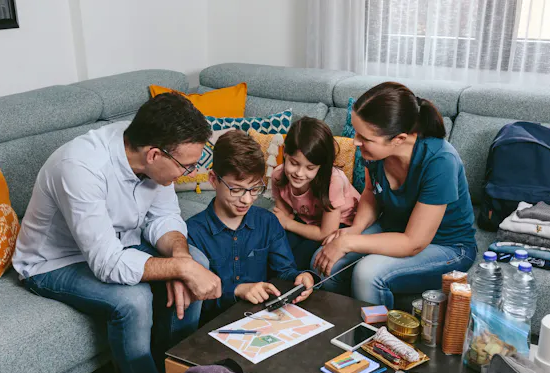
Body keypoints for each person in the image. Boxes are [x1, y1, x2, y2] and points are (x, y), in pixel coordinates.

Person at [12, 93, 222, 373]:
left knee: (197, 259)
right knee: (134, 300)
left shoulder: (150, 152)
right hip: (53, 263)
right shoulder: (80, 168)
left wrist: (182, 258)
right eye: (186, 166)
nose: (189, 173)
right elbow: (107, 263)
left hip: (118, 244)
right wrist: (179, 268)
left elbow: (164, 217)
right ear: (154, 154)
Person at [313, 82, 477, 307]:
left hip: (446, 246)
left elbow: (413, 243)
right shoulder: (374, 153)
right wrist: (355, 229)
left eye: (365, 138)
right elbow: (371, 192)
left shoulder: (440, 161)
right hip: (394, 228)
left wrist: (349, 243)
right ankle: (339, 326)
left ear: (399, 138)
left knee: (368, 273)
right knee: (322, 261)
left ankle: (374, 339)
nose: (355, 142)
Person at [187, 130, 315, 319]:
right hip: (212, 329)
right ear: (213, 180)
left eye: (255, 188)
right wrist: (237, 290)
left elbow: (285, 271)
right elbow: (194, 300)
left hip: (262, 321)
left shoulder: (267, 222)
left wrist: (303, 277)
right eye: (236, 189)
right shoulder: (192, 233)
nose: (247, 200)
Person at [271, 117, 360, 270]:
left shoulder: (334, 181)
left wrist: (288, 223)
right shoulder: (278, 176)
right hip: (308, 220)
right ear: (284, 152)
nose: (299, 173)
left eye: (310, 168)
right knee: (274, 253)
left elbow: (325, 233)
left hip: (340, 223)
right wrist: (285, 224)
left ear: (321, 166)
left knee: (297, 262)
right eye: (294, 163)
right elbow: (283, 219)